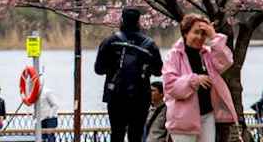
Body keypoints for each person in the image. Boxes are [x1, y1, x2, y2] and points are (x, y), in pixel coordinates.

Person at [162, 13, 237, 142]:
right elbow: (170, 87)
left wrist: (213, 36)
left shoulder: (207, 54)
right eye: (196, 32)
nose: (199, 37)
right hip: (183, 120)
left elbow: (226, 61)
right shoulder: (173, 56)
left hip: (207, 114)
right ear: (185, 33)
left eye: (203, 34)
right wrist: (194, 80)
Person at [97, 8, 164, 142]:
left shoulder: (111, 41)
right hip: (140, 96)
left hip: (115, 95)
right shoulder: (149, 44)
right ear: (139, 21)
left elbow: (99, 69)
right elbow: (158, 70)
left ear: (121, 19)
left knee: (117, 133)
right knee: (136, 134)